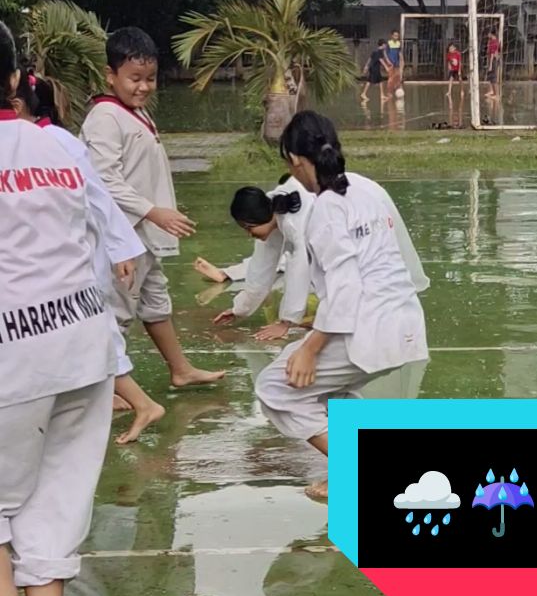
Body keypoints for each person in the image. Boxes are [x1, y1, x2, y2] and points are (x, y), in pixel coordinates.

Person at [0, 21, 138, 596]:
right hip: (84, 343)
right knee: (51, 503)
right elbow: (107, 235)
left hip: (15, 350)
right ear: (13, 79)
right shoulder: (56, 141)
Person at [254, 112, 429, 501]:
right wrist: (317, 325)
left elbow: (348, 288)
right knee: (333, 396)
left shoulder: (326, 209)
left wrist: (310, 348)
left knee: (274, 387)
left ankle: (354, 470)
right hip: (402, 322)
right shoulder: (366, 189)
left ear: (296, 161)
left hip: (368, 328)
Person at [12, 71, 165, 445]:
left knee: (97, 333)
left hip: (333, 328)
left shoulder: (51, 142)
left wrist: (120, 247)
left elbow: (98, 195)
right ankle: (337, 486)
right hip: (332, 326)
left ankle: (338, 487)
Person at [80, 27, 225, 390]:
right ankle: (101, 389)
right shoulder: (104, 117)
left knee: (155, 301)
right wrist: (152, 211)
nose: (143, 87)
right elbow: (103, 180)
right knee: (117, 311)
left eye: (150, 78)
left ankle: (180, 369)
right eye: (134, 79)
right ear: (110, 75)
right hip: (120, 237)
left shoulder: (135, 113)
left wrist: (157, 213)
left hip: (144, 235)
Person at [212, 178, 315, 342]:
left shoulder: (293, 222)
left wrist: (286, 322)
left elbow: (299, 268)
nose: (249, 234)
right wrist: (239, 309)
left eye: (248, 227)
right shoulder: (272, 210)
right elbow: (260, 269)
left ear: (259, 217)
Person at [361, 41, 391, 105]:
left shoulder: (375, 51)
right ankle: (363, 93)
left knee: (380, 81)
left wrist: (366, 66)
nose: (386, 46)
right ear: (383, 45)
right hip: (375, 68)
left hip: (373, 67)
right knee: (370, 81)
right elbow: (381, 60)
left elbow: (370, 59)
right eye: (385, 45)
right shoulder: (379, 52)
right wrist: (386, 67)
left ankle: (382, 95)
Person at [485, 29, 501, 98]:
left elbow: (493, 54)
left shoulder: (494, 42)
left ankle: (496, 94)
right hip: (492, 59)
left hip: (493, 61)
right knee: (490, 76)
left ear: (492, 34)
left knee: (493, 77)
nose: (487, 35)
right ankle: (492, 91)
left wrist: (490, 65)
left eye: (488, 33)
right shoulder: (492, 41)